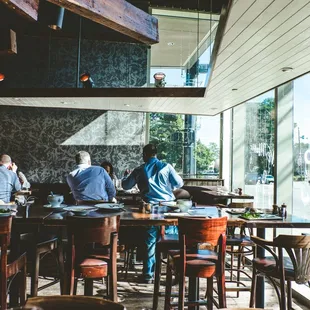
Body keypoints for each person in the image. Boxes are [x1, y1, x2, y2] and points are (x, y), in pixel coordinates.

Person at [122, 144, 183, 283]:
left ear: (144, 155)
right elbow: (179, 183)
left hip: (150, 209)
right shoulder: (167, 167)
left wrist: (126, 176)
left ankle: (148, 275)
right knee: (172, 240)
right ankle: (174, 273)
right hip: (168, 208)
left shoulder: (139, 170)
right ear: (156, 154)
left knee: (150, 242)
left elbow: (125, 186)